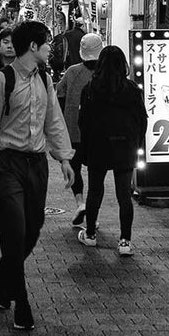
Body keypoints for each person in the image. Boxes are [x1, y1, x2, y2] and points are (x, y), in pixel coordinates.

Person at [0, 20, 73, 332]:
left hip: (36, 164)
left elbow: (53, 119)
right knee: (14, 233)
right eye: (47, 43)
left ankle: (1, 276)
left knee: (33, 229)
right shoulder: (1, 80)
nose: (50, 48)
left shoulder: (45, 78)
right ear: (33, 46)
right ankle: (22, 304)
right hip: (5, 164)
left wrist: (64, 158)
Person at [76, 44, 148, 256]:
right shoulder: (132, 90)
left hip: (98, 146)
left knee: (95, 191)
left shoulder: (90, 89)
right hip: (124, 147)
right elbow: (141, 120)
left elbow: (83, 121)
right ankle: (125, 241)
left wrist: (86, 145)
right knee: (124, 195)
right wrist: (137, 144)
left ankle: (90, 235)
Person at [55, 32, 102, 227]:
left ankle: (80, 203)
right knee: (96, 174)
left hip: (73, 130)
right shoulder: (106, 73)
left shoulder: (72, 72)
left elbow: (59, 96)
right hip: (98, 133)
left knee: (74, 169)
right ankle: (92, 214)